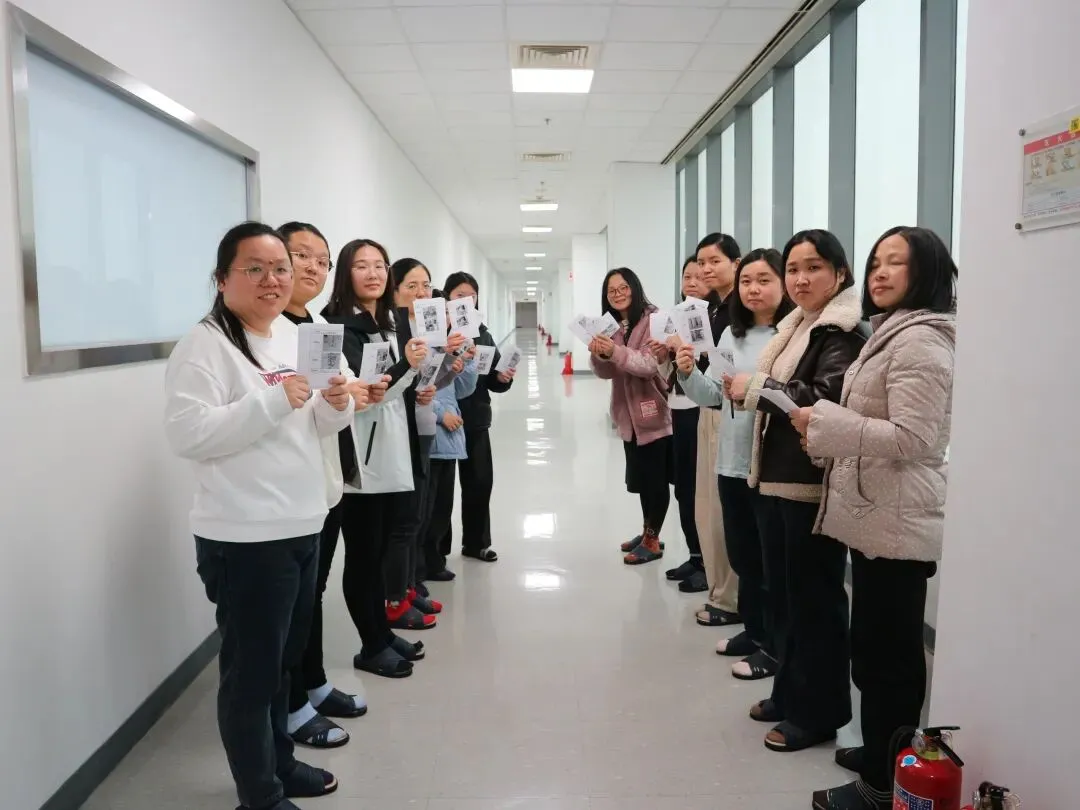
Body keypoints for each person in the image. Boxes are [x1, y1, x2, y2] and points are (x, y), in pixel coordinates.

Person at [164, 222, 352, 810]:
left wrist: (336, 405)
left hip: (302, 522)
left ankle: (280, 764)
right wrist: (274, 399)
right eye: (255, 268)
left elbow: (314, 424)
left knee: (282, 664)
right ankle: (259, 795)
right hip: (245, 538)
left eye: (280, 269)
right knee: (252, 675)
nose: (272, 279)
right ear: (223, 279)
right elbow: (188, 434)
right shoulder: (204, 345)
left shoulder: (292, 337)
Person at [799, 227, 957, 810]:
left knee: (888, 661)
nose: (881, 273)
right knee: (872, 651)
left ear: (928, 272)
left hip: (899, 521)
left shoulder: (921, 342)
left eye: (897, 263)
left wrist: (827, 424)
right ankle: (880, 754)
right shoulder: (894, 331)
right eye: (876, 263)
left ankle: (883, 786)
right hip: (879, 516)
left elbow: (915, 438)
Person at [725, 229, 867, 753]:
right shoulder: (799, 325)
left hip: (810, 483)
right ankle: (789, 693)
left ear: (840, 273)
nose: (800, 279)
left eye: (813, 268)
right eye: (794, 269)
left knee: (814, 602)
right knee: (786, 597)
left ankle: (818, 713)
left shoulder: (841, 332)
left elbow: (825, 398)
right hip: (776, 478)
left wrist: (757, 388)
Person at [676, 248, 794, 681]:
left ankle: (775, 647)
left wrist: (753, 388)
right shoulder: (732, 334)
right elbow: (713, 395)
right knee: (744, 557)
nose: (753, 289)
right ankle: (756, 632)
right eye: (747, 282)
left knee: (770, 564)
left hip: (770, 465)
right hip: (731, 460)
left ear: (782, 285)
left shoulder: (792, 335)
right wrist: (688, 372)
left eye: (764, 280)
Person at [276, 222, 369, 749]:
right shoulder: (266, 332)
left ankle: (312, 684)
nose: (313, 267)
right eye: (301, 256)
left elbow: (339, 391)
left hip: (325, 482)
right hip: (288, 491)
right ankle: (291, 705)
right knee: (294, 603)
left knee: (312, 594)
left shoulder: (314, 326)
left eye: (321, 260)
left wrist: (355, 392)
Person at [322, 238, 428, 678]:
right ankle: (370, 644)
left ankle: (382, 634)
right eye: (362, 265)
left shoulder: (387, 321)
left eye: (380, 265)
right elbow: (368, 394)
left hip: (391, 449)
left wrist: (414, 371)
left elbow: (395, 387)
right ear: (345, 273)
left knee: (382, 549)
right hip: (360, 459)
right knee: (364, 555)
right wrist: (407, 366)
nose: (373, 273)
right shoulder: (337, 325)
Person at [390, 258, 461, 611]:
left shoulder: (426, 328)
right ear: (394, 291)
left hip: (422, 428)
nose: (421, 292)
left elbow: (430, 381)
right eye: (412, 286)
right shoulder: (393, 330)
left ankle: (410, 584)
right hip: (399, 431)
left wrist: (449, 357)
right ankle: (402, 589)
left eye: (426, 285)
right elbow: (395, 381)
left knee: (419, 512)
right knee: (404, 520)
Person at [590, 267, 672, 564]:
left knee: (656, 481)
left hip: (654, 414)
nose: (618, 294)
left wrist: (614, 351)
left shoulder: (654, 320)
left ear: (635, 288)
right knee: (642, 480)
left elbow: (649, 365)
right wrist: (599, 354)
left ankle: (652, 539)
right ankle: (648, 532)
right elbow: (606, 372)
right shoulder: (611, 326)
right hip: (628, 417)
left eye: (623, 287)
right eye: (612, 291)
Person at [438, 272, 516, 570]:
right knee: (441, 492)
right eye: (459, 295)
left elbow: (493, 378)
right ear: (446, 297)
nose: (466, 301)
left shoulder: (482, 334)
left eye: (472, 296)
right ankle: (437, 551)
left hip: (475, 418)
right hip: (441, 422)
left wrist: (502, 378)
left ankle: (476, 543)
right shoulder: (436, 332)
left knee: (479, 483)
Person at [691, 232, 742, 625]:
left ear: (735, 263)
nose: (706, 269)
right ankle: (720, 591)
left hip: (733, 413)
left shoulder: (741, 312)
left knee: (725, 512)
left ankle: (731, 599)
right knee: (707, 508)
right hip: (709, 405)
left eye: (715, 261)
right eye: (701, 262)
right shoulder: (712, 310)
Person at [652, 257, 707, 590]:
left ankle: (709, 563)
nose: (693, 282)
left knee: (701, 489)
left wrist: (688, 350)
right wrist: (663, 356)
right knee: (684, 487)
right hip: (679, 408)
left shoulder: (715, 320)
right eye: (687, 276)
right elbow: (666, 376)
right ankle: (695, 556)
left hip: (703, 409)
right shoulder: (672, 318)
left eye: (700, 276)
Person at [426, 291, 481, 570]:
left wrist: (467, 362)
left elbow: (463, 390)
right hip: (430, 436)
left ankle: (434, 560)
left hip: (448, 439)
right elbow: (416, 389)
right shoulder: (421, 347)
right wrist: (440, 415)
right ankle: (424, 565)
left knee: (442, 507)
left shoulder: (448, 347)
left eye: (448, 312)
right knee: (427, 509)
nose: (446, 318)